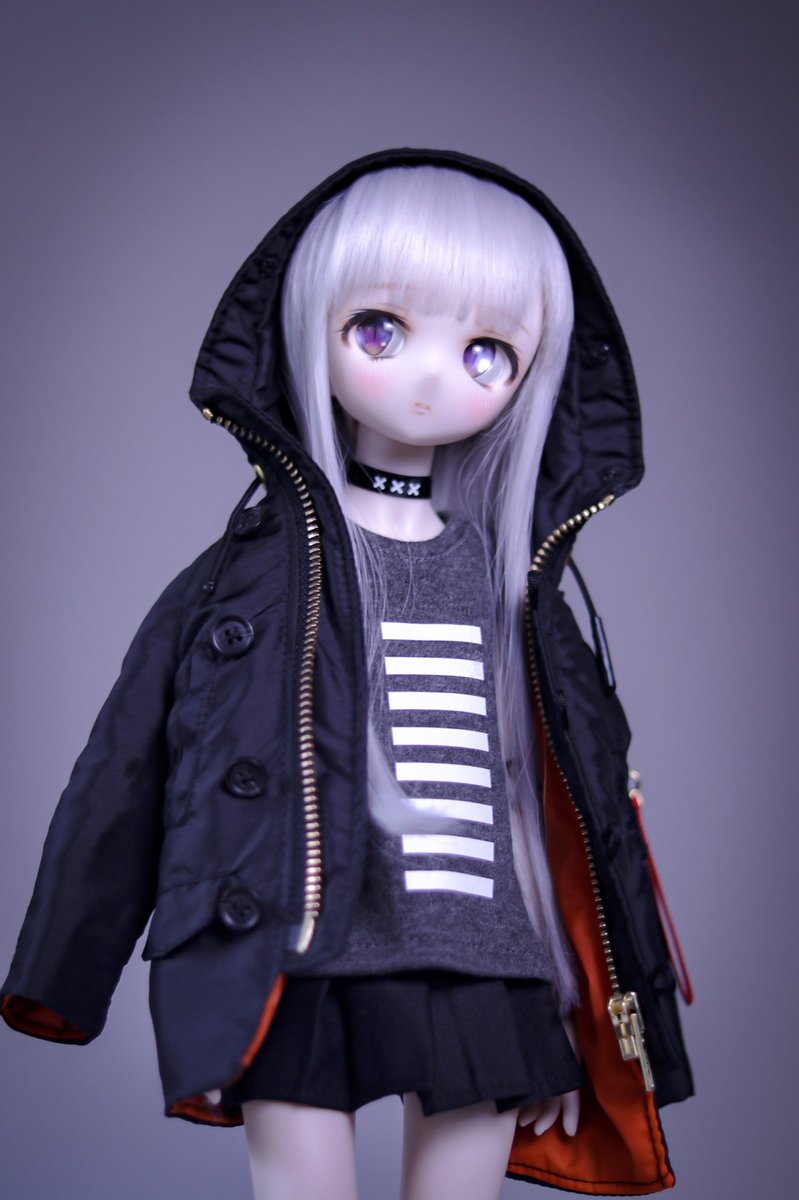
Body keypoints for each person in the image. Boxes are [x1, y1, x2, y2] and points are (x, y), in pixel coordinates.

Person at [1, 149, 692, 1199]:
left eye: (487, 350)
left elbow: (553, 807)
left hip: (487, 964)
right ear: (306, 326)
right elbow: (125, 768)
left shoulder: (516, 587)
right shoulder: (248, 581)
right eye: (380, 329)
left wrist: (571, 1003)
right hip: (300, 955)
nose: (429, 376)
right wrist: (73, 973)